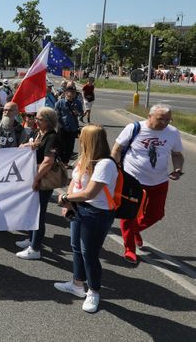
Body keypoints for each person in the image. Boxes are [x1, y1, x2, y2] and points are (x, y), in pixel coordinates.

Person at [54, 125, 117, 313]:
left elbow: (90, 193)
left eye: (81, 136)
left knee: (89, 253)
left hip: (97, 213)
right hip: (80, 208)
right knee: (76, 248)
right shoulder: (84, 157)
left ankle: (94, 292)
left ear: (90, 139)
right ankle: (77, 284)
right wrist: (70, 203)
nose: (78, 138)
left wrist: (65, 199)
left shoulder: (106, 164)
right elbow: (75, 181)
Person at [110, 104, 184, 264]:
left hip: (159, 181)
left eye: (168, 119)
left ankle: (134, 230)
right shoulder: (134, 128)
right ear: (149, 116)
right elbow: (116, 149)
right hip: (133, 180)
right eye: (160, 119)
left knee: (156, 214)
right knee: (129, 214)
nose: (165, 123)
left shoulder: (172, 132)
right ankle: (129, 248)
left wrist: (178, 169)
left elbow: (177, 154)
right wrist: (114, 169)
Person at [16, 107, 60, 260]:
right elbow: (22, 147)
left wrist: (36, 179)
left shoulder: (51, 137)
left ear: (47, 122)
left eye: (39, 119)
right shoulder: (37, 134)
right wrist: (29, 145)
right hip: (32, 176)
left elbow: (48, 162)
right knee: (31, 210)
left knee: (39, 214)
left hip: (42, 180)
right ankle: (30, 239)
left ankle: (35, 248)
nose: (36, 121)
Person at [54, 86, 83, 162]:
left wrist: (78, 113)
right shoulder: (60, 102)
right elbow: (56, 114)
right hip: (62, 128)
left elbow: (81, 113)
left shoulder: (78, 103)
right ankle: (59, 162)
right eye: (70, 92)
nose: (72, 94)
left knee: (70, 147)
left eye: (74, 92)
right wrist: (58, 125)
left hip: (72, 128)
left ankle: (65, 162)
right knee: (60, 146)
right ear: (66, 93)